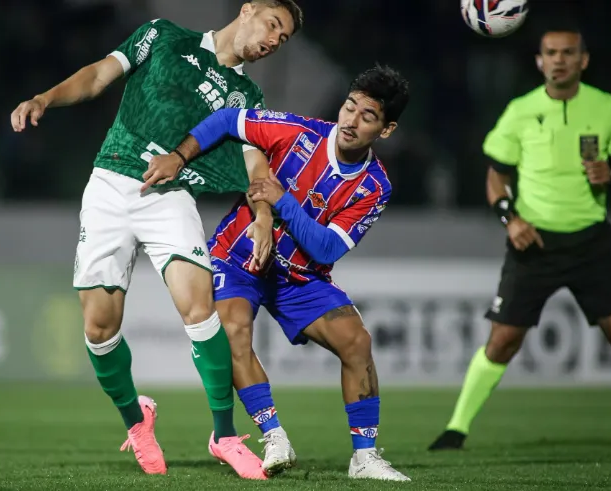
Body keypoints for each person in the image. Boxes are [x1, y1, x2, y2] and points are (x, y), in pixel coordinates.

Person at [10, 1, 303, 479]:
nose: (274, 40)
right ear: (248, 10)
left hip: (169, 194)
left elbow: (255, 164)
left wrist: (265, 213)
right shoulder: (164, 36)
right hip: (111, 182)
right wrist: (46, 97)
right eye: (273, 25)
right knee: (99, 329)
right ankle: (137, 422)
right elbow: (99, 75)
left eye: (283, 38)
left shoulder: (246, 95)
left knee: (200, 307)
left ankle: (224, 435)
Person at [141, 65, 412, 481]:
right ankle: (274, 436)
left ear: (386, 129)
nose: (351, 121)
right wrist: (179, 157)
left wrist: (281, 200)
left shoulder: (375, 186)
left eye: (367, 116)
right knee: (232, 332)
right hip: (238, 259)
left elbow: (325, 247)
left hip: (301, 279)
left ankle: (365, 457)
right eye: (349, 107)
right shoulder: (300, 133)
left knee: (357, 342)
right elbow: (227, 120)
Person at [428, 26, 611, 451]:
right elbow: (497, 176)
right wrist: (509, 219)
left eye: (568, 52)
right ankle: (456, 429)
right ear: (539, 61)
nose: (559, 60)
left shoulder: (606, 109)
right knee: (502, 341)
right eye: (551, 52)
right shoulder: (520, 111)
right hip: (533, 243)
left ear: (583, 60)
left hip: (590, 242)